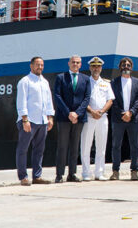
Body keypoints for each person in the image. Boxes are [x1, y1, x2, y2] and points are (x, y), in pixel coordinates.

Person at [15, 56, 54, 186]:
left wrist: (50, 117)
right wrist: (25, 120)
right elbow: (21, 101)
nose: (40, 67)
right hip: (29, 121)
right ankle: (23, 177)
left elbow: (48, 101)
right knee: (23, 149)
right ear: (31, 66)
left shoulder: (45, 82)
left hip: (42, 121)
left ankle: (37, 176)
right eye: (37, 65)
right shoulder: (25, 81)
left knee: (39, 150)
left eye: (42, 65)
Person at [53, 55, 91, 183]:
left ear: (81, 64)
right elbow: (57, 96)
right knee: (62, 146)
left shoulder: (86, 79)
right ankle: (59, 175)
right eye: (73, 62)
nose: (75, 64)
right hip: (64, 117)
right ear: (69, 63)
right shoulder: (61, 77)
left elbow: (87, 98)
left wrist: (77, 113)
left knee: (75, 146)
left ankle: (72, 174)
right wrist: (69, 113)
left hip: (79, 118)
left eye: (78, 62)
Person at [80, 57, 115, 181]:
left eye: (98, 66)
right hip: (89, 117)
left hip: (102, 117)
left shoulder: (106, 83)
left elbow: (110, 100)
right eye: (94, 66)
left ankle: (99, 172)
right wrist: (92, 111)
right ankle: (86, 173)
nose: (96, 68)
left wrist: (101, 111)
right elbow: (83, 100)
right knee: (86, 145)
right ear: (90, 68)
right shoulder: (85, 82)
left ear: (101, 68)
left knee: (101, 146)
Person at [109, 57, 138, 181]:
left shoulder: (137, 82)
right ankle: (115, 171)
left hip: (133, 119)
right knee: (116, 145)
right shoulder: (114, 82)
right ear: (120, 67)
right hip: (118, 119)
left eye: (128, 65)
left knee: (134, 146)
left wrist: (131, 113)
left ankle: (134, 171)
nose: (126, 66)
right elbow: (112, 100)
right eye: (123, 65)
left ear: (131, 67)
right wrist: (123, 113)